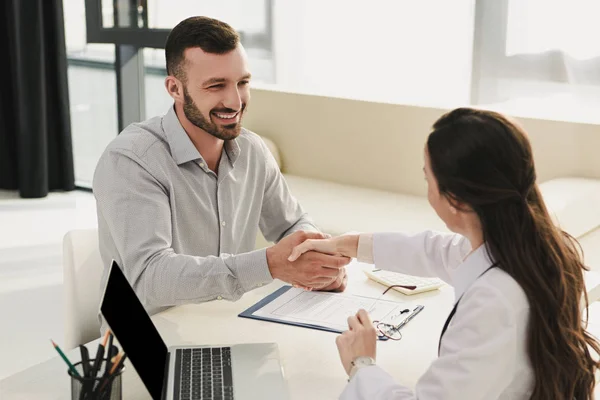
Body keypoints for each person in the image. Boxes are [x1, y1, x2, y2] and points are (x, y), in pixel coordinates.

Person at [288, 108, 600, 399]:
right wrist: (348, 244)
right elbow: (436, 251)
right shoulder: (535, 247)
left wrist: (361, 364)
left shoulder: (492, 301)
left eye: (428, 178)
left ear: (456, 200)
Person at [93, 16, 349, 319]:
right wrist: (269, 264)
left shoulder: (253, 151)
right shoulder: (132, 161)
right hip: (152, 339)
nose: (235, 101)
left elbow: (291, 224)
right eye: (216, 86)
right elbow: (150, 277)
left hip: (230, 321)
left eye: (242, 83)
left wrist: (317, 259)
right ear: (175, 88)